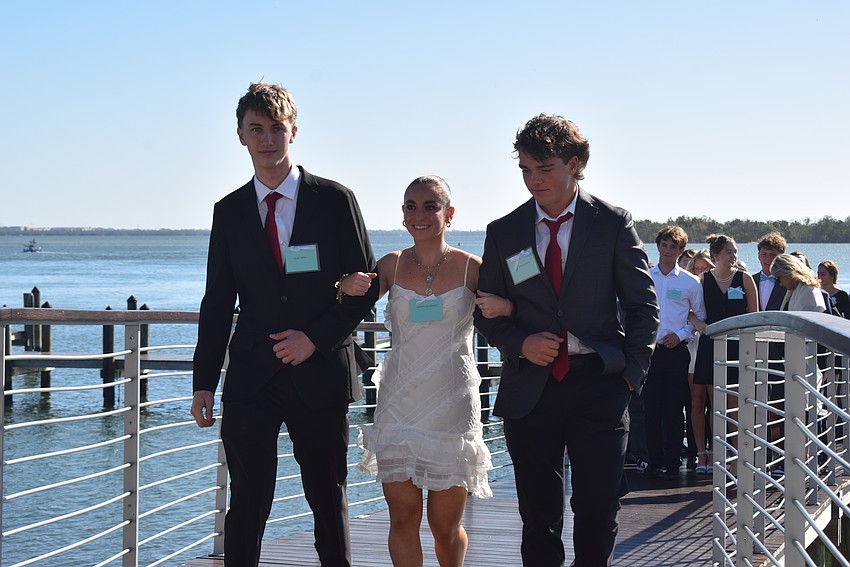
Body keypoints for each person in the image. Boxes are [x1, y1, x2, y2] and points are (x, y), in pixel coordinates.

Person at [190, 82, 378, 567]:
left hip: (319, 372)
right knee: (249, 498)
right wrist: (204, 382)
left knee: (325, 495)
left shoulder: (335, 200)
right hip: (253, 377)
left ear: (294, 132)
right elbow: (217, 302)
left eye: (276, 129)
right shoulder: (228, 212)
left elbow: (368, 287)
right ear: (240, 136)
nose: (267, 139)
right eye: (256, 129)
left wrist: (313, 339)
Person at [473, 114, 659, 566]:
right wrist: (520, 344)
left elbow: (643, 308)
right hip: (531, 388)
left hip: (599, 384)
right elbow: (485, 312)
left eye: (545, 168)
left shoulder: (612, 223)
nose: (534, 180)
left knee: (597, 509)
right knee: (538, 518)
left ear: (574, 163)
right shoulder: (504, 232)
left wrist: (631, 375)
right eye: (525, 170)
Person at [340, 175, 504, 567]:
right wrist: (341, 284)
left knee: (443, 527)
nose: (420, 214)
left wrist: (510, 308)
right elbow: (342, 308)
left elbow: (511, 315)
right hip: (398, 401)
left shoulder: (472, 269)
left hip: (452, 405)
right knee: (403, 517)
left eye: (430, 206)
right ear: (402, 215)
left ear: (449, 213)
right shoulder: (391, 265)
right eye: (411, 206)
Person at [691, 234, 758, 476]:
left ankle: (735, 457)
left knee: (733, 406)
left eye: (735, 252)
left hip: (737, 348)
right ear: (716, 255)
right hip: (711, 346)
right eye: (729, 252)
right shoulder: (701, 280)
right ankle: (714, 455)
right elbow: (688, 310)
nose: (734, 256)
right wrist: (699, 323)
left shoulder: (744, 279)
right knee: (714, 403)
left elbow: (754, 315)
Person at [643, 227, 706, 480]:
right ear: (658, 247)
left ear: (681, 251)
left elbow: (700, 317)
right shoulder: (646, 277)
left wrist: (680, 335)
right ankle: (652, 460)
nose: (668, 251)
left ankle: (672, 461)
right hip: (649, 351)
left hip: (677, 351)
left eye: (673, 247)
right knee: (650, 409)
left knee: (674, 408)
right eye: (664, 245)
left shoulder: (690, 282)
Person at [684, 249, 714, 473]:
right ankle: (699, 453)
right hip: (693, 343)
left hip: (713, 343)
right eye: (698, 268)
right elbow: (683, 311)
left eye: (706, 268)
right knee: (696, 399)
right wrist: (694, 320)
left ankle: (714, 452)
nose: (702, 272)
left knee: (714, 402)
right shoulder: (689, 285)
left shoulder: (717, 285)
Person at [754, 232, 788, 312]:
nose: (768, 258)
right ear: (758, 255)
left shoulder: (787, 282)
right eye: (764, 254)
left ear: (781, 257)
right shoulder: (750, 280)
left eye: (772, 254)